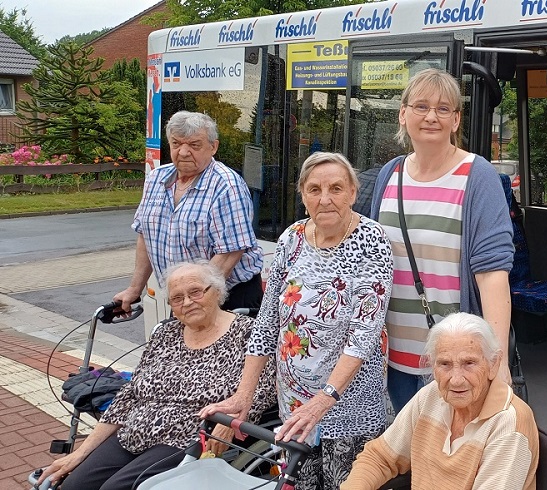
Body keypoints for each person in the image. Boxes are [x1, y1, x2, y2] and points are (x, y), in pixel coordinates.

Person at [201, 152, 394, 490]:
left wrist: (324, 399)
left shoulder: (372, 241)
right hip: (293, 403)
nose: (326, 198)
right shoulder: (292, 237)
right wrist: (243, 396)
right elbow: (267, 320)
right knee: (296, 484)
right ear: (303, 195)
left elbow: (365, 331)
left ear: (352, 192)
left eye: (336, 188)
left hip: (348, 407)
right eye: (314, 189)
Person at [39, 261, 274, 490]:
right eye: (177, 298)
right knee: (74, 484)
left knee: (115, 487)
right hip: (134, 430)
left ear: (217, 292)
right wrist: (79, 454)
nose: (188, 302)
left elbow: (263, 388)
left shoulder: (248, 332)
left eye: (195, 292)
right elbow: (129, 396)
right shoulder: (166, 333)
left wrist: (231, 423)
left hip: (187, 435)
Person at [369, 68, 514, 412]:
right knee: (405, 459)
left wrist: (498, 361)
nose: (431, 116)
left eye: (443, 108)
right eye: (420, 106)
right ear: (403, 114)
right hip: (393, 359)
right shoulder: (390, 175)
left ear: (455, 119)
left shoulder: (478, 177)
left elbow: (492, 274)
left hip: (454, 365)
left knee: (451, 459)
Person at [342, 313, 538, 490]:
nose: (456, 379)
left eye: (469, 363)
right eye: (445, 364)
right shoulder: (431, 396)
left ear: (493, 364)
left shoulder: (509, 424)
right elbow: (380, 457)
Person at [114, 111, 264, 313]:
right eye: (176, 144)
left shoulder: (226, 185)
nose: (183, 152)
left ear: (213, 147)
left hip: (227, 297)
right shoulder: (156, 179)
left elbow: (230, 251)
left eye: (194, 145)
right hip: (186, 298)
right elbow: (146, 236)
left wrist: (195, 299)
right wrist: (134, 288)